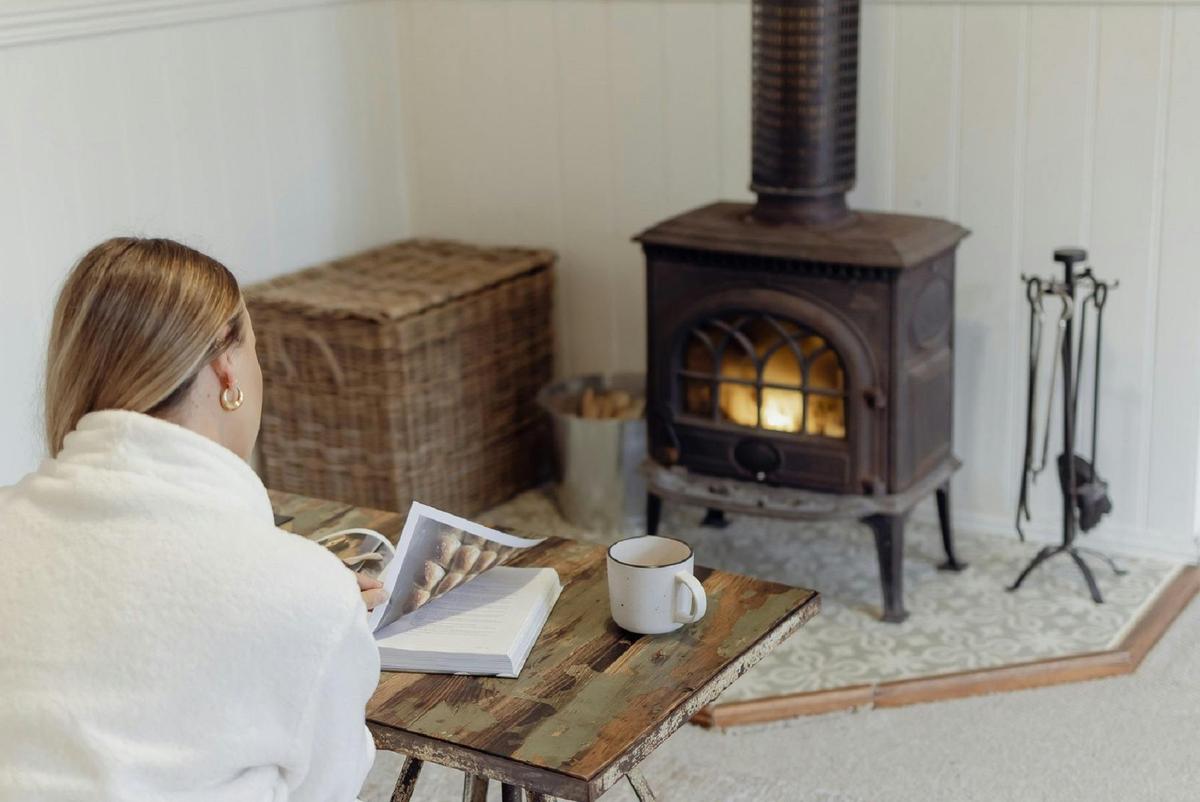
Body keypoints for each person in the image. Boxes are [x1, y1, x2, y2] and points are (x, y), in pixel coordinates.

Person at [0, 238, 385, 801]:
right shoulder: (310, 595)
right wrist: (313, 600)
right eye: (255, 349)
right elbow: (329, 787)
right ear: (227, 372)